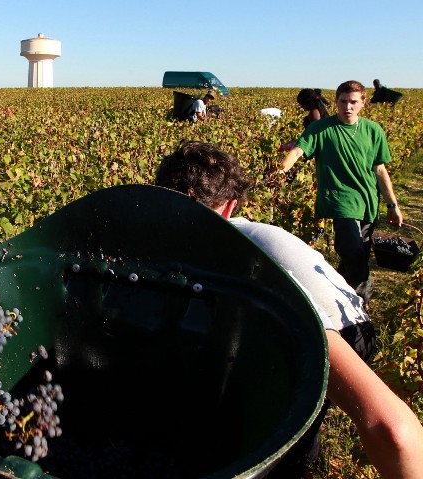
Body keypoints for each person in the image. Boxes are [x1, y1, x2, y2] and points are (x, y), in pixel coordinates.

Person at [155, 141, 423, 479]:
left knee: (287, 431)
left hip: (348, 332)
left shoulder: (251, 263)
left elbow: (393, 431)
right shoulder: (183, 242)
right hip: (292, 314)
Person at [279, 80, 402, 305]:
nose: (348, 107)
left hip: (368, 202)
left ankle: (335, 294)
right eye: (343, 101)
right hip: (339, 201)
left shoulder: (373, 131)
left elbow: (381, 170)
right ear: (336, 101)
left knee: (357, 254)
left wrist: (393, 206)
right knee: (353, 252)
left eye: (353, 102)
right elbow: (297, 151)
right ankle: (361, 302)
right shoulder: (321, 128)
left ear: (363, 102)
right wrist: (279, 171)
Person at [278, 88, 330, 152]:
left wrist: (294, 145)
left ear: (308, 103)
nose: (301, 106)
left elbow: (315, 139)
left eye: (302, 104)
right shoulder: (319, 111)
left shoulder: (314, 114)